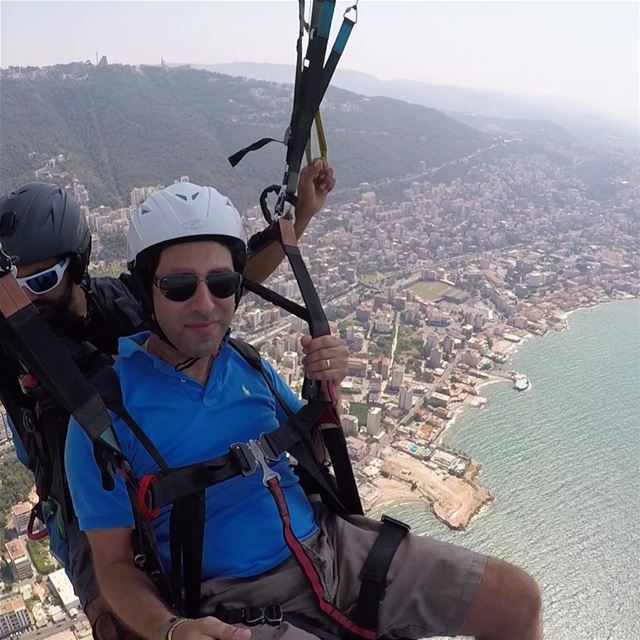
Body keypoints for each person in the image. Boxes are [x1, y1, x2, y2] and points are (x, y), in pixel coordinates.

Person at [65, 182, 543, 640]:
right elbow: (113, 567)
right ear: (145, 291)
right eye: (179, 286)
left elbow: (315, 453)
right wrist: (171, 630)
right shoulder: (105, 417)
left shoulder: (247, 364)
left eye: (223, 282)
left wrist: (324, 393)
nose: (206, 304)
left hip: (334, 548)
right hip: (234, 602)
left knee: (516, 600)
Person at [0, 158, 338, 639]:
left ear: (74, 265)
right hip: (79, 499)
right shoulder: (12, 343)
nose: (25, 300)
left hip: (153, 470)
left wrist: (300, 214)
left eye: (39, 282)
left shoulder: (124, 299)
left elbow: (226, 286)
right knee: (116, 622)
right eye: (12, 288)